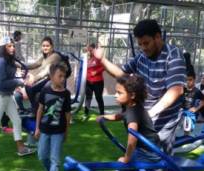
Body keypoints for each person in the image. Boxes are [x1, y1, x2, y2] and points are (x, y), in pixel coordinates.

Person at [95, 19, 186, 155]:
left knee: (157, 162)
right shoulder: (142, 57)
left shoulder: (173, 56)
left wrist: (150, 114)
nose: (143, 47)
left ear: (157, 37)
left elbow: (176, 90)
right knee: (137, 157)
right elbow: (121, 75)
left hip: (164, 120)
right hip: (144, 117)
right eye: (140, 44)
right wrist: (102, 60)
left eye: (146, 43)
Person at [91, 74, 161, 171]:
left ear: (132, 95)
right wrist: (104, 117)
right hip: (148, 150)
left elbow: (132, 138)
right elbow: (120, 116)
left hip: (149, 152)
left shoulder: (133, 112)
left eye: (119, 93)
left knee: (124, 170)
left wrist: (127, 158)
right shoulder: (132, 107)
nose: (116, 95)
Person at [0, 36, 35, 157]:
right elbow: (1, 83)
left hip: (7, 96)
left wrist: (24, 77)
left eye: (13, 45)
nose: (13, 48)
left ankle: (21, 148)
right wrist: (20, 82)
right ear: (3, 48)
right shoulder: (1, 62)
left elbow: (19, 71)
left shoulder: (9, 61)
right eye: (9, 46)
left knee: (16, 120)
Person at [34, 63, 71, 171]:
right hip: (44, 129)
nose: (62, 79)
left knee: (55, 158)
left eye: (64, 76)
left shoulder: (66, 94)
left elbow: (67, 114)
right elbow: (40, 109)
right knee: (42, 155)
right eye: (59, 76)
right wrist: (37, 128)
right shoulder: (45, 90)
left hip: (58, 131)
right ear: (51, 77)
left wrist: (67, 131)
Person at [24, 36, 67, 114]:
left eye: (47, 46)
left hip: (56, 82)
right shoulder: (44, 57)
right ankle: (35, 109)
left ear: (52, 46)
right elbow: (35, 64)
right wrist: (21, 66)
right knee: (29, 88)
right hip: (49, 79)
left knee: (43, 90)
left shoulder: (55, 56)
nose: (45, 48)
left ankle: (38, 110)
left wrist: (34, 79)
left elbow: (46, 71)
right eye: (43, 46)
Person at [181, 53, 204, 134]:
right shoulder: (183, 89)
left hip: (190, 114)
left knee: (187, 130)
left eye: (190, 80)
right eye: (186, 80)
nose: (188, 82)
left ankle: (187, 139)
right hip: (182, 112)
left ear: (194, 80)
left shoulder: (197, 91)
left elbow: (203, 101)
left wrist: (196, 109)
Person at [84, 43, 105, 120]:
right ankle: (86, 113)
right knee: (88, 97)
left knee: (98, 97)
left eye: (91, 50)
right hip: (88, 82)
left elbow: (104, 67)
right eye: (88, 50)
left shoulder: (98, 58)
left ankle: (102, 114)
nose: (89, 51)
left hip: (98, 82)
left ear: (94, 49)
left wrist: (96, 72)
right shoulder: (88, 58)